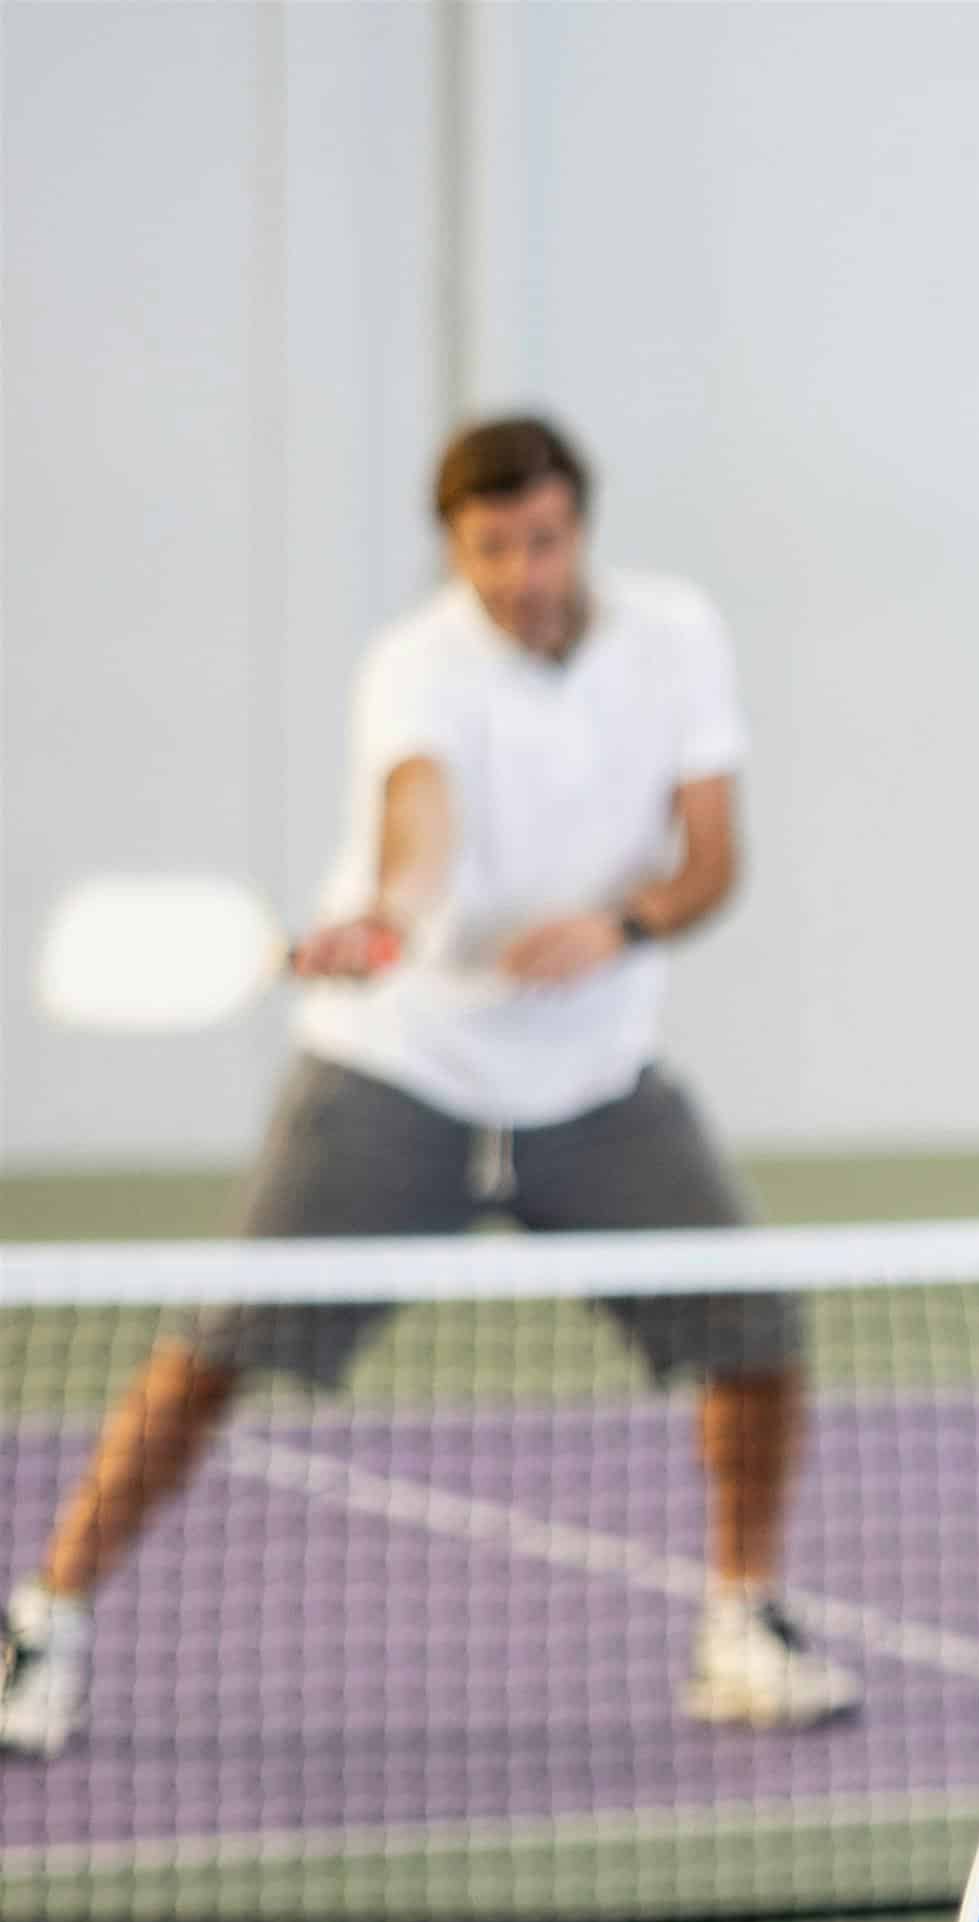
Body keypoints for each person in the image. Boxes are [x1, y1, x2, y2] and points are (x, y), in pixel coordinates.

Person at [0, 417, 851, 1760]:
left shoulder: (674, 635)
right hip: (404, 1063)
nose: (522, 570)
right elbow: (420, 819)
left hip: (594, 1075)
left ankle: (741, 1626)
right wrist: (391, 914)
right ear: (456, 550)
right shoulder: (419, 663)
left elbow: (710, 860)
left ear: (583, 525)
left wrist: (618, 927)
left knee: (755, 1329)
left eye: (544, 538)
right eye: (492, 548)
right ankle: (43, 1620)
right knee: (215, 1348)